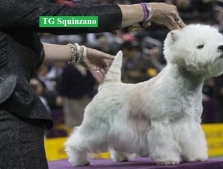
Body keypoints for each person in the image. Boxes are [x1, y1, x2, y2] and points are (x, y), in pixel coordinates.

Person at [0, 0, 186, 168]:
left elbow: (13, 50)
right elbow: (62, 19)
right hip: (9, 117)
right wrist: (145, 10)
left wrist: (79, 52)